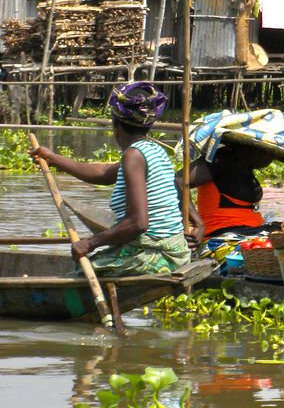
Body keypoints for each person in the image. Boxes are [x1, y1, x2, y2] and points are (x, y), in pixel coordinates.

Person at [30, 82, 190, 276]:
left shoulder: (133, 156)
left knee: (78, 276)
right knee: (89, 264)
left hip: (154, 252)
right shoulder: (154, 150)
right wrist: (52, 158)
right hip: (174, 249)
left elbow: (138, 223)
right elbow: (104, 173)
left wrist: (90, 242)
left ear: (116, 125)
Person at [178, 143, 275, 242]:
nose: (271, 158)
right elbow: (179, 181)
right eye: (269, 152)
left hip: (252, 231)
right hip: (222, 235)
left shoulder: (245, 165)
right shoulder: (219, 160)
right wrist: (197, 223)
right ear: (250, 148)